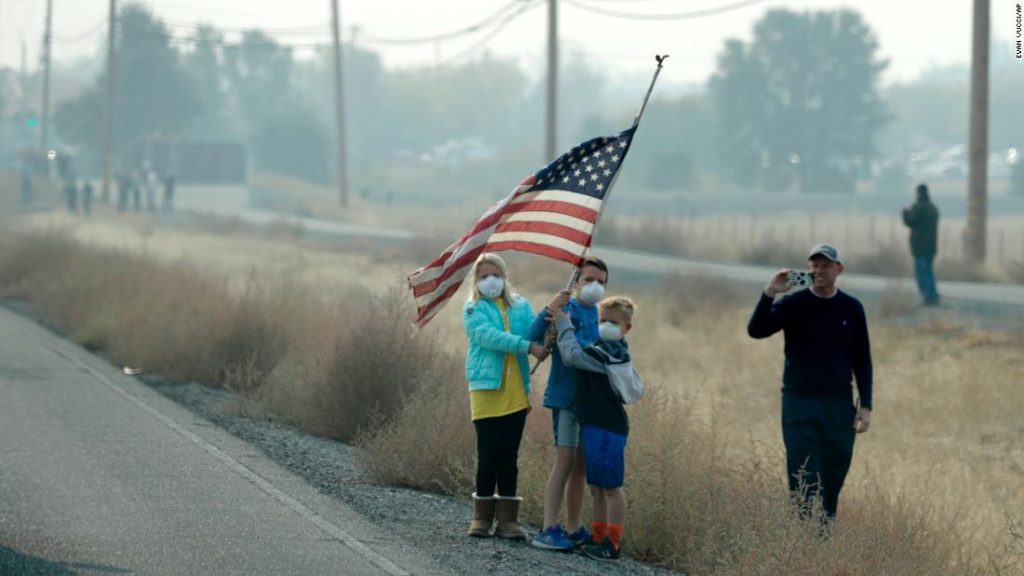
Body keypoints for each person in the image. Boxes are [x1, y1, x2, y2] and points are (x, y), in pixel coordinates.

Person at [747, 243, 873, 521]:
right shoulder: (794, 304)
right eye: (814, 265)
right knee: (804, 474)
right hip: (799, 402)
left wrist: (866, 405)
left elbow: (862, 358)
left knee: (833, 475)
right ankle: (802, 536)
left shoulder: (851, 308)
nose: (819, 271)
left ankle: (822, 539)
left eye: (825, 265)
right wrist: (770, 293)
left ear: (839, 269)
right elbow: (756, 330)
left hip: (839, 405)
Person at [462, 253, 549, 539]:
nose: (491, 281)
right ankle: (482, 519)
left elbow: (533, 332)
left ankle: (508, 522)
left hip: (516, 393)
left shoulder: (521, 306)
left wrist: (551, 314)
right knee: (488, 455)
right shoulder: (473, 309)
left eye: (495, 274)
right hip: (487, 391)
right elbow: (489, 338)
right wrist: (527, 347)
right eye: (484, 276)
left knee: (509, 457)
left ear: (504, 276)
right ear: (476, 281)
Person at [527, 256, 609, 551]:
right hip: (566, 399)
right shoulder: (566, 309)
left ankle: (574, 528)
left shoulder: (601, 317)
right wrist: (551, 308)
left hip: (591, 403)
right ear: (576, 283)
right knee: (564, 462)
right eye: (588, 280)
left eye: (600, 282)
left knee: (581, 467)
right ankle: (548, 527)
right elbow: (532, 335)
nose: (594, 286)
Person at [551, 295, 640, 561]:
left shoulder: (610, 353)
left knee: (611, 487)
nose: (606, 325)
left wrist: (564, 325)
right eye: (602, 320)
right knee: (597, 486)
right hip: (595, 425)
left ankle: (612, 543)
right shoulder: (603, 346)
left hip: (607, 428)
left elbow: (572, 356)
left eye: (613, 322)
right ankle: (598, 535)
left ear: (626, 328)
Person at [902, 183, 940, 306]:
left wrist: (905, 214)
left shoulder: (918, 208)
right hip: (931, 246)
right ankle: (933, 294)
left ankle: (928, 296)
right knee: (929, 271)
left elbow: (911, 222)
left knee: (921, 273)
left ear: (918, 193)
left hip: (920, 247)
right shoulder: (933, 208)